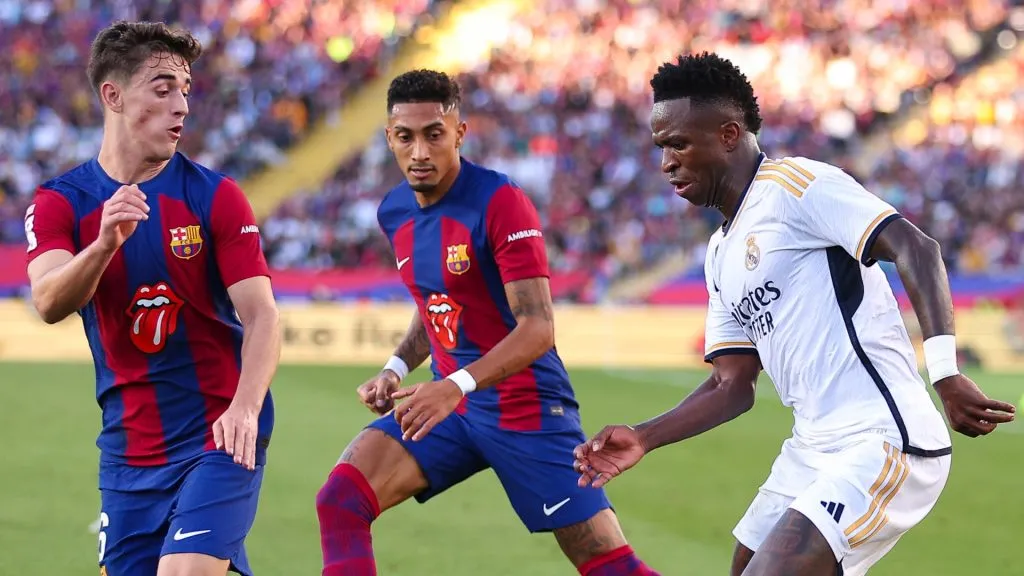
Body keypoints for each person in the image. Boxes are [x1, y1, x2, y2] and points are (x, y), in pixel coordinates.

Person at [572, 52, 1017, 576]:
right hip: (811, 448)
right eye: (661, 148)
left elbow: (916, 247)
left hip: (882, 440)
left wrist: (945, 373)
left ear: (730, 134)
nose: (667, 162)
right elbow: (730, 385)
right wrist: (645, 436)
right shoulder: (719, 252)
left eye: (678, 144)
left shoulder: (797, 186)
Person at [314, 69, 660, 576]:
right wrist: (395, 366)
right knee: (341, 500)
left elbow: (539, 328)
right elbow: (436, 301)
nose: (420, 152)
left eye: (434, 134)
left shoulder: (500, 202)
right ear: (389, 138)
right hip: (449, 407)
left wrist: (455, 385)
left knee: (605, 561)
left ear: (459, 133)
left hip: (525, 409)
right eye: (405, 137)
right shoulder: (394, 212)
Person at [24, 21, 280, 576]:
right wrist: (103, 246)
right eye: (163, 88)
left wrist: (246, 406)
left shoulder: (215, 195)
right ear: (112, 97)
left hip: (220, 432)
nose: (182, 105)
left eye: (185, 89)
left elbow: (261, 316)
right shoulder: (60, 202)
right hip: (128, 452)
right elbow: (48, 301)